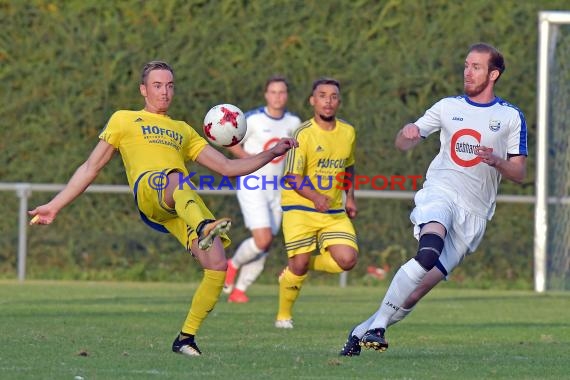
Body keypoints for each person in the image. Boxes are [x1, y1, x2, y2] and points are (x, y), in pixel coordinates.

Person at [28, 61, 297, 357]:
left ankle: (185, 338)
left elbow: (229, 167)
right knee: (176, 178)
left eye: (169, 86)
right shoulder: (124, 119)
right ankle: (205, 225)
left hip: (177, 205)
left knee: (217, 265)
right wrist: (55, 205)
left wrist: (271, 153)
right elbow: (91, 167)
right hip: (150, 190)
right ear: (143, 90)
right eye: (157, 85)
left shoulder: (183, 130)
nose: (164, 92)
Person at [339, 43, 528, 356]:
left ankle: (359, 334)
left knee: (412, 296)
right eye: (466, 65)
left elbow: (519, 172)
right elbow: (403, 142)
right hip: (440, 192)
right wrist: (407, 132)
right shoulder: (446, 107)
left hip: (474, 215)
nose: (468, 72)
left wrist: (498, 161)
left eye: (476, 67)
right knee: (427, 252)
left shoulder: (509, 116)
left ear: (494, 74)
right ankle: (379, 327)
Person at [275, 77, 359, 329]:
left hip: (332, 210)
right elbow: (291, 176)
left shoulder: (348, 132)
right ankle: (283, 316)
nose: (328, 101)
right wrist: (314, 197)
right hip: (299, 208)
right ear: (312, 101)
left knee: (347, 260)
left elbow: (349, 166)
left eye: (333, 96)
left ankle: (302, 263)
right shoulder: (302, 133)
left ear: (339, 101)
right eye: (322, 95)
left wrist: (350, 197)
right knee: (297, 266)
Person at [222, 75, 301, 303]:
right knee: (263, 238)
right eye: (273, 92)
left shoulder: (294, 123)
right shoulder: (253, 120)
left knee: (265, 244)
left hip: (278, 190)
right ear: (266, 94)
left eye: (282, 92)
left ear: (287, 95)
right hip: (252, 184)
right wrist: (248, 159)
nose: (278, 96)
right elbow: (231, 141)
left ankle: (239, 291)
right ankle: (233, 265)